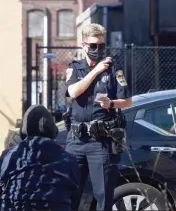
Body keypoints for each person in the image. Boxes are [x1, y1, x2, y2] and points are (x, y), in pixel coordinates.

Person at [65, 23, 132, 211]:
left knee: (103, 196)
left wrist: (111, 103)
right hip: (76, 141)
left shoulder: (115, 69)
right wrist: (95, 71)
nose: (97, 50)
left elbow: (127, 101)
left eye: (101, 46)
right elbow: (73, 92)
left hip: (101, 143)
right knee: (70, 194)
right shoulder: (75, 68)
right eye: (93, 46)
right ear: (84, 45)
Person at [0, 105, 80, 211]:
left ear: (23, 131)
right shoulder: (69, 159)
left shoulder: (9, 156)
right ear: (53, 131)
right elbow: (75, 199)